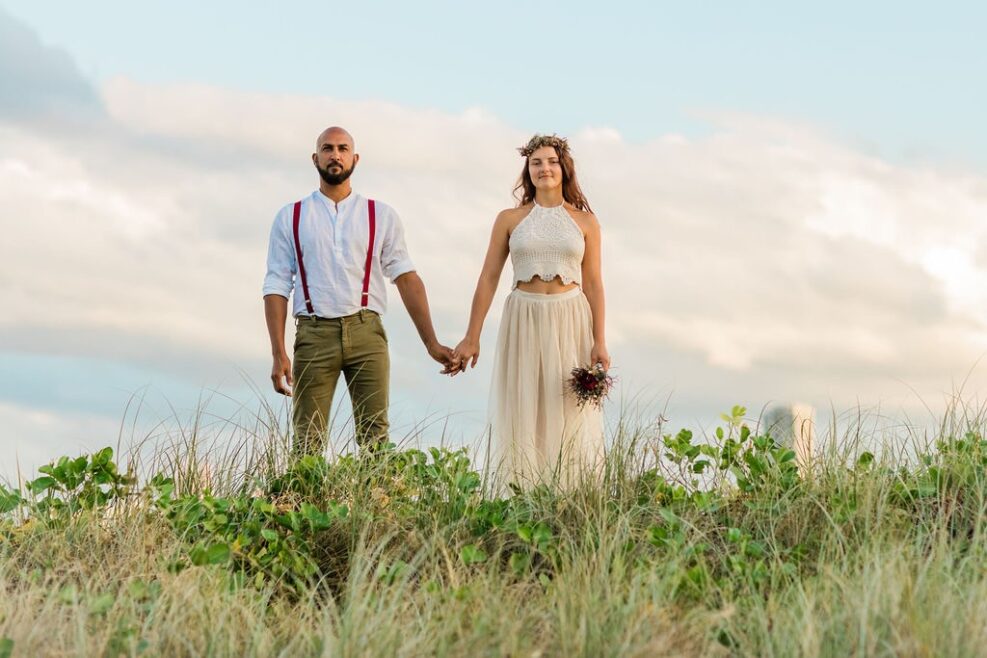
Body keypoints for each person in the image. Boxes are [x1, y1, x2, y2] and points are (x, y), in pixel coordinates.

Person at [263, 126, 456, 455]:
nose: (335, 155)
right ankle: (300, 505)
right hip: (313, 333)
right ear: (315, 158)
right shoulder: (291, 217)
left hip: (366, 331)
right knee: (307, 438)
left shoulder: (380, 215)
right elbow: (277, 285)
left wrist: (431, 342)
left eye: (342, 148)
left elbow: (406, 277)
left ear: (355, 158)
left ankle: (376, 505)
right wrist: (278, 352)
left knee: (375, 437)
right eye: (327, 149)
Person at [451, 134, 610, 488]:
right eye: (536, 163)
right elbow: (489, 277)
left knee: (568, 408)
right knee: (524, 405)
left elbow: (595, 283)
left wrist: (600, 341)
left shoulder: (585, 222)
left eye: (551, 161)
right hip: (523, 316)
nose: (544, 169)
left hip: (570, 317)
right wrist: (471, 336)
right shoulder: (510, 218)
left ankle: (571, 491)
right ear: (528, 169)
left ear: (563, 168)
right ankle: (523, 489)